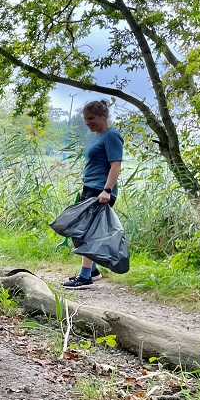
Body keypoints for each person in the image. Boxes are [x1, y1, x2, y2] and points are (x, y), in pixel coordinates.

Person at [63, 99, 123, 288]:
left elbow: (116, 165)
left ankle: (85, 276)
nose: (88, 122)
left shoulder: (111, 135)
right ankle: (93, 271)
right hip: (90, 188)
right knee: (80, 230)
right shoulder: (98, 136)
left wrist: (106, 190)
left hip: (100, 191)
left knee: (86, 233)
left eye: (91, 118)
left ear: (104, 116)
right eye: (85, 119)